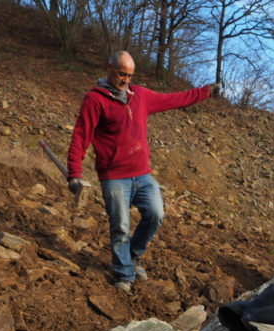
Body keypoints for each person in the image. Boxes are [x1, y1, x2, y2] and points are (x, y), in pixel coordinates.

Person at [67, 50, 217, 292]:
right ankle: (124, 275)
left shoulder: (141, 96)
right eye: (121, 74)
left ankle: (133, 255)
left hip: (142, 175)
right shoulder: (95, 100)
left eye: (129, 75)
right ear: (109, 68)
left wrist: (205, 92)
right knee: (120, 228)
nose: (126, 80)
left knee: (156, 214)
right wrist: (74, 173)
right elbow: (80, 137)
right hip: (114, 177)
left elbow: (174, 99)